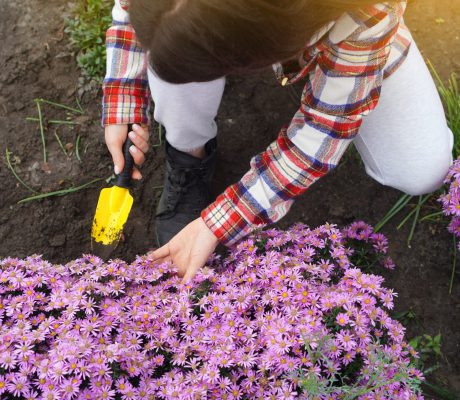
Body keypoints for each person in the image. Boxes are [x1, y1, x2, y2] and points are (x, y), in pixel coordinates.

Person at [102, 0, 453, 282]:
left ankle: (350, 49)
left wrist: (220, 222)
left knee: (421, 168)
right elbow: (135, 8)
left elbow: (323, 128)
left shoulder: (367, 8)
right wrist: (124, 96)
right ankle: (188, 154)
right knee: (177, 41)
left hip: (342, 19)